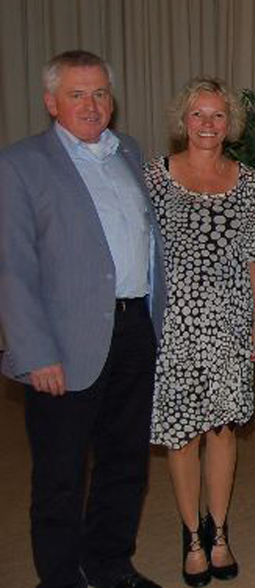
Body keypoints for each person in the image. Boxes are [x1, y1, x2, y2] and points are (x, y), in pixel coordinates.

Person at [0, 50, 167, 588]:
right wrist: (35, 352)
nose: (91, 104)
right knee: (62, 474)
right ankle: (60, 578)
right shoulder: (20, 164)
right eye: (77, 94)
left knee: (126, 464)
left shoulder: (128, 151)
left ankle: (109, 565)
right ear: (51, 102)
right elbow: (13, 267)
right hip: (64, 344)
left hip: (135, 329)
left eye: (99, 93)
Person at [144, 79, 255, 586]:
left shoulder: (247, 179)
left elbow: (254, 253)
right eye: (198, 114)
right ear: (183, 120)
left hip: (230, 323)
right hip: (175, 326)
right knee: (183, 433)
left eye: (217, 115)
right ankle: (192, 535)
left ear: (229, 123)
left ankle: (219, 532)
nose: (208, 124)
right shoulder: (155, 176)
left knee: (222, 430)